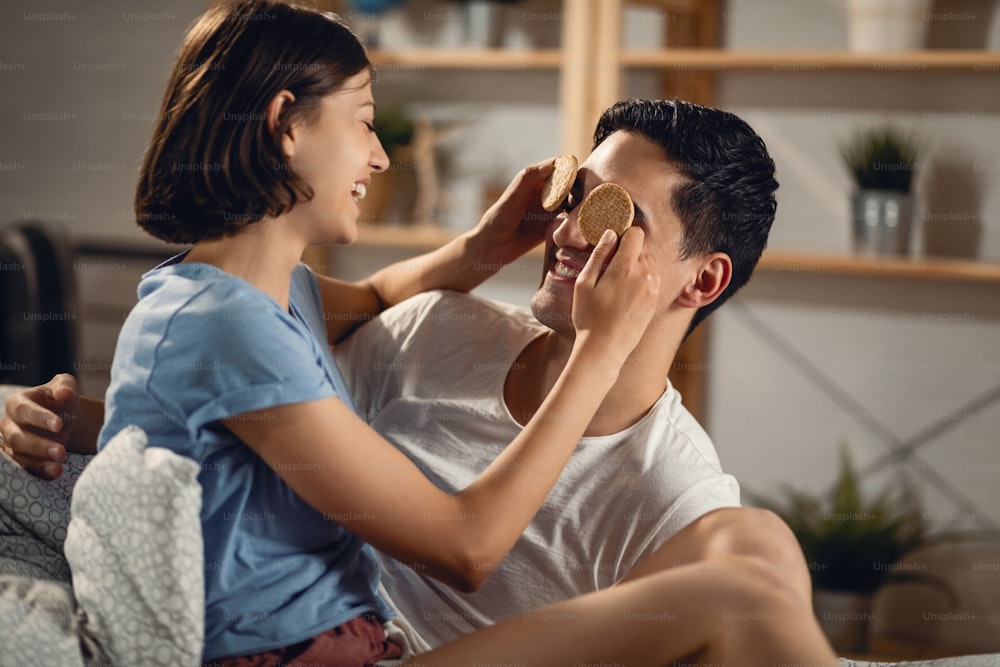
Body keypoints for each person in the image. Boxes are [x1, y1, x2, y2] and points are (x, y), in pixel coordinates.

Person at [0, 1, 840, 666]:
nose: (573, 230)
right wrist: (103, 422)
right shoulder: (414, 330)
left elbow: (283, 360)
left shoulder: (674, 487)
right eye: (577, 195)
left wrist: (486, 261)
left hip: (385, 644)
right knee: (748, 582)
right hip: (344, 639)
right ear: (287, 124)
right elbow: (272, 407)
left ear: (702, 279)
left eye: (617, 217)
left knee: (757, 550)